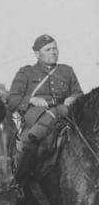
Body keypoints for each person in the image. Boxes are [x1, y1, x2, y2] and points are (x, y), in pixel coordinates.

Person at [8, 34, 82, 182]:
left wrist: (73, 98)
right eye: (48, 49)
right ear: (37, 53)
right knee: (30, 145)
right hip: (35, 117)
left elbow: (79, 93)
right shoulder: (26, 72)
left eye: (55, 48)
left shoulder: (67, 70)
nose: (53, 52)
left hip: (64, 113)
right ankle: (21, 180)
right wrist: (31, 99)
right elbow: (12, 100)